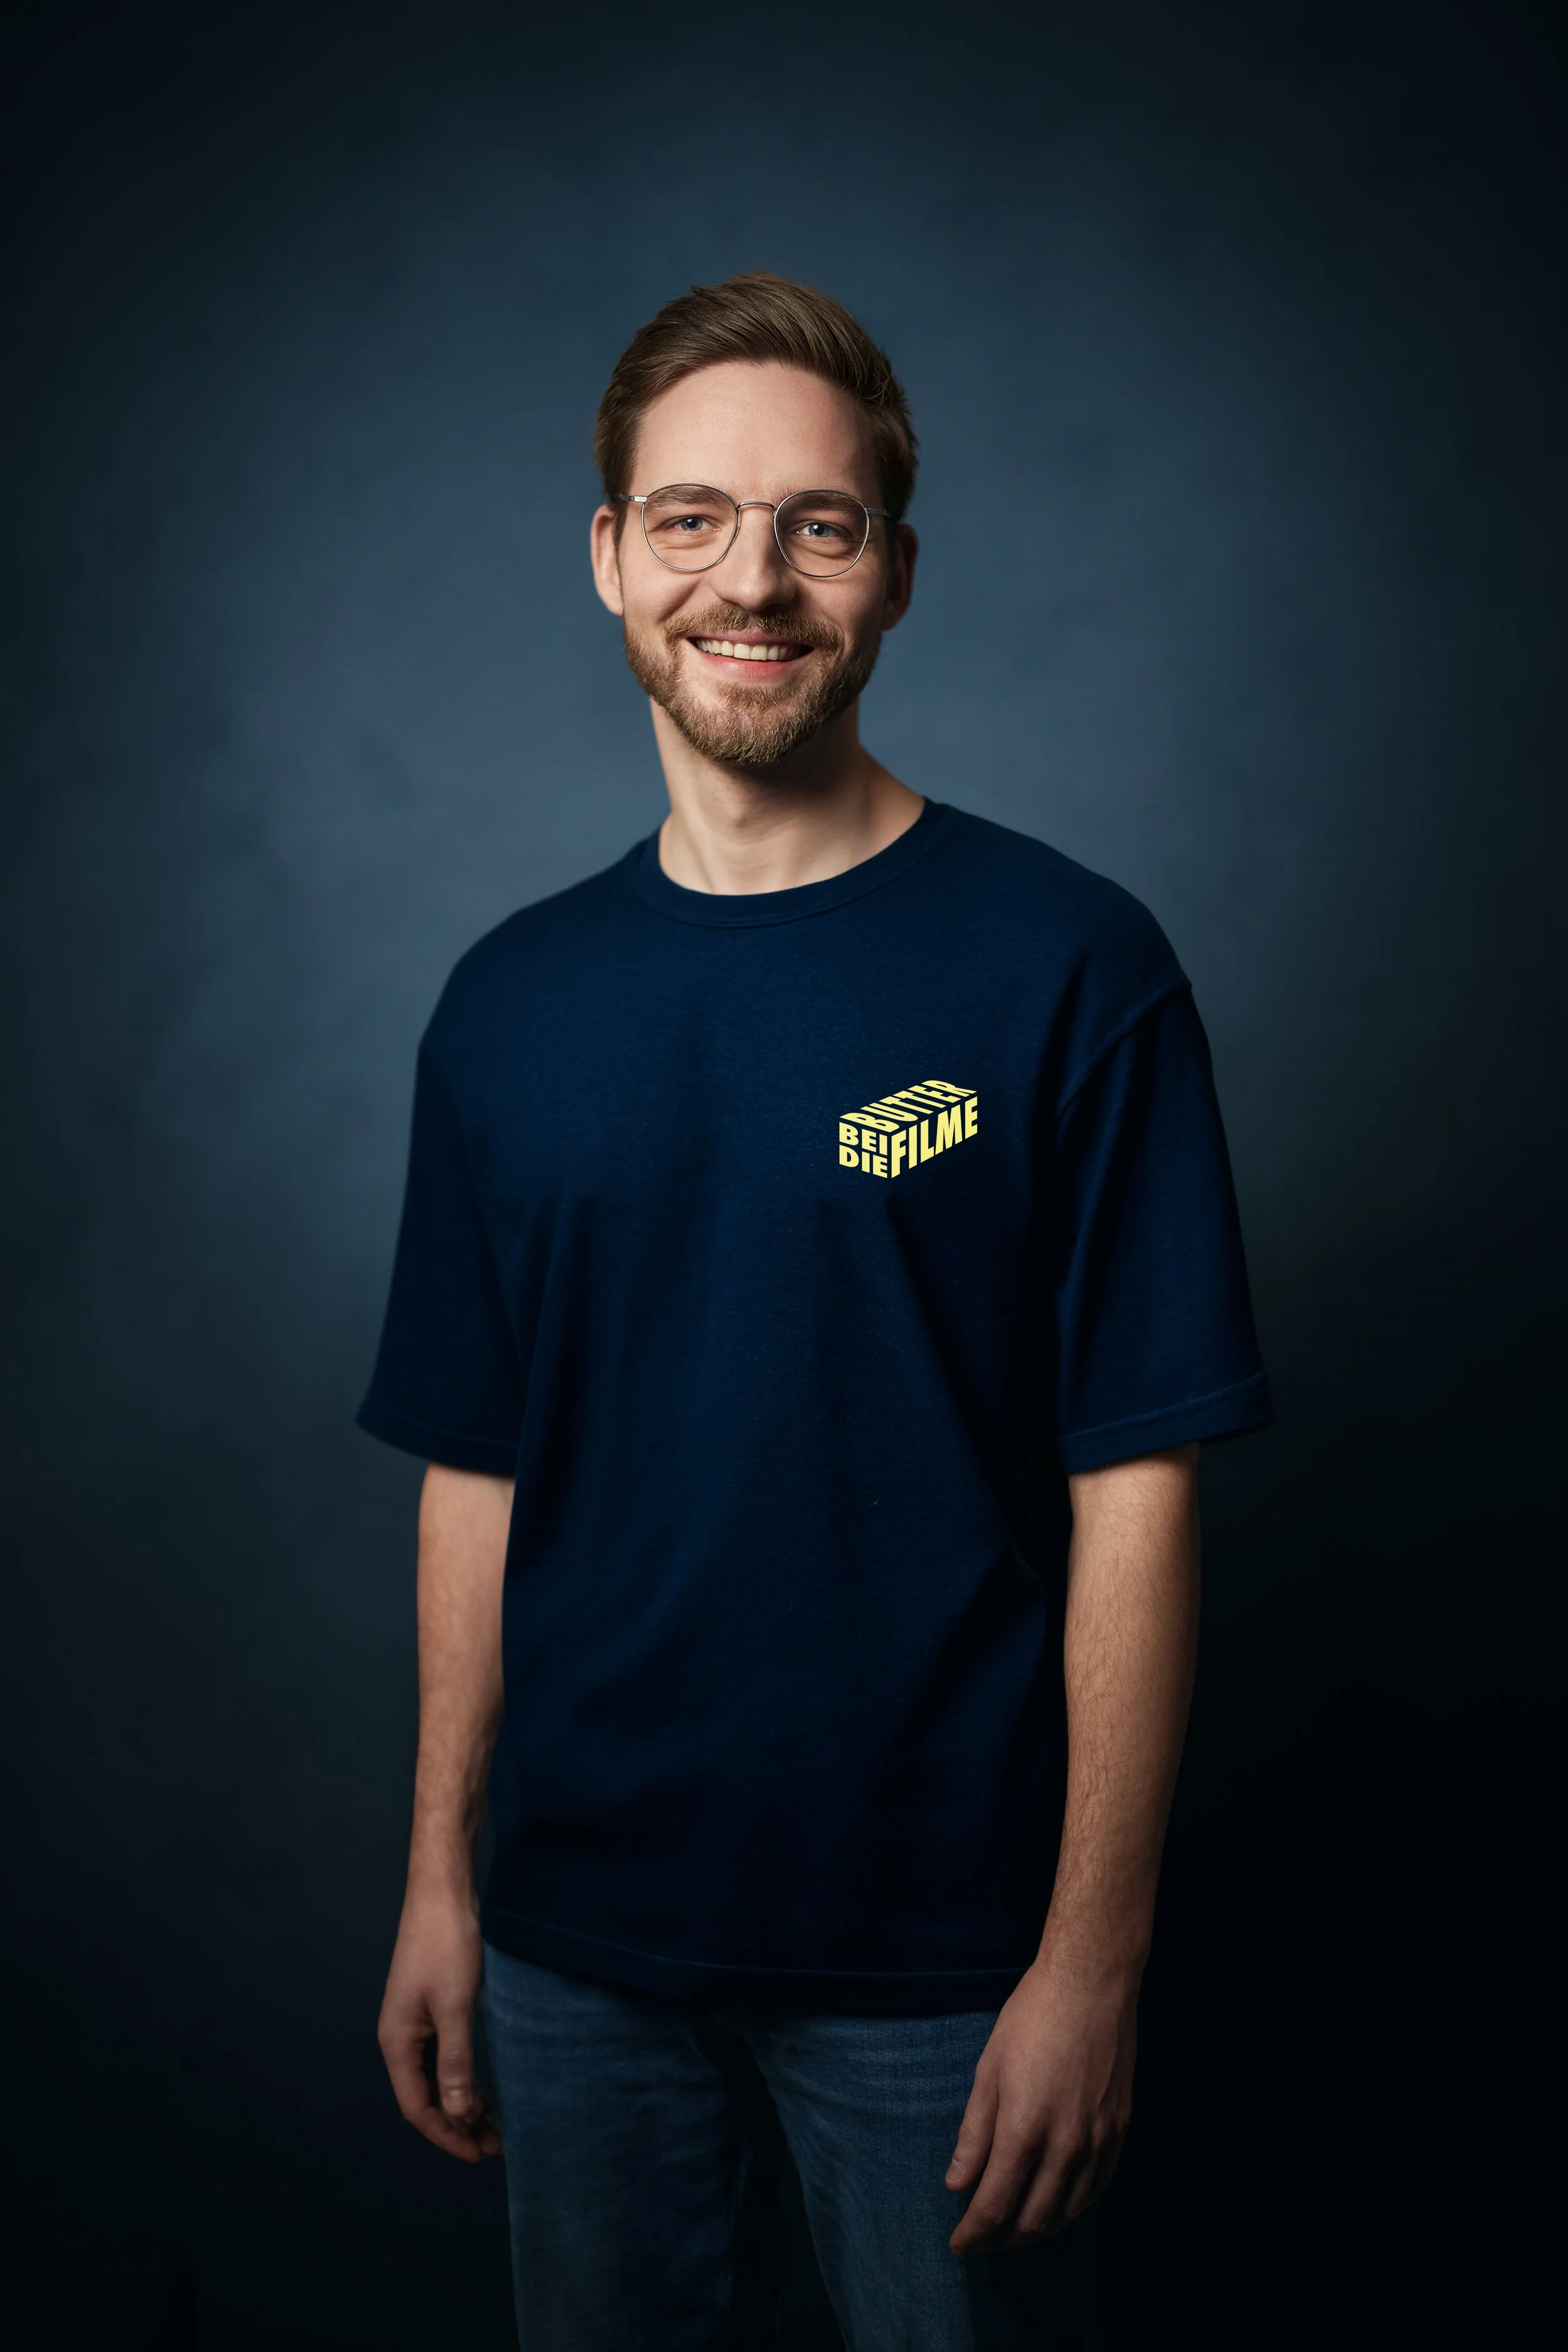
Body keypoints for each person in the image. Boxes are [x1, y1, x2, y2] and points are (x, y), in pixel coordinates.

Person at [359, 271, 1271, 2351]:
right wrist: (441, 1883)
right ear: (607, 558)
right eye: (687, 518)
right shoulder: (507, 1005)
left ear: (895, 576)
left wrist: (1091, 1962)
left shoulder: (1067, 968)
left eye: (816, 525)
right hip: (577, 1954)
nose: (748, 579)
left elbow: (1136, 1478)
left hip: (948, 1971)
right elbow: (476, 1471)